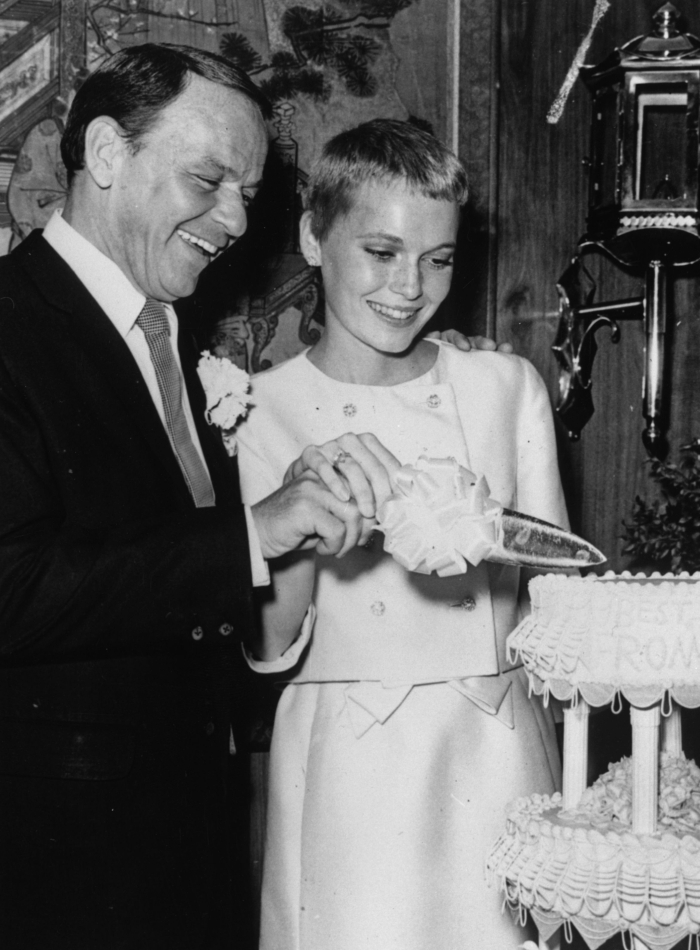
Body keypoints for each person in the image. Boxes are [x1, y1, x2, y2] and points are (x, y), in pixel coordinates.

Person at [0, 44, 403, 949]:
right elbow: (10, 589)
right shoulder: (12, 324)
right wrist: (249, 535)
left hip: (181, 843)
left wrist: (287, 536)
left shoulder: (172, 338)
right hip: (55, 867)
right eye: (207, 180)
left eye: (248, 195)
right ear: (106, 154)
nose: (232, 220)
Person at [235, 119, 569, 950]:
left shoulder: (504, 386)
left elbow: (558, 606)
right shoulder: (257, 412)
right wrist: (307, 530)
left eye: (439, 258)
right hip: (346, 754)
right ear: (315, 238)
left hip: (491, 743)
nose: (410, 287)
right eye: (380, 252)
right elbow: (272, 647)